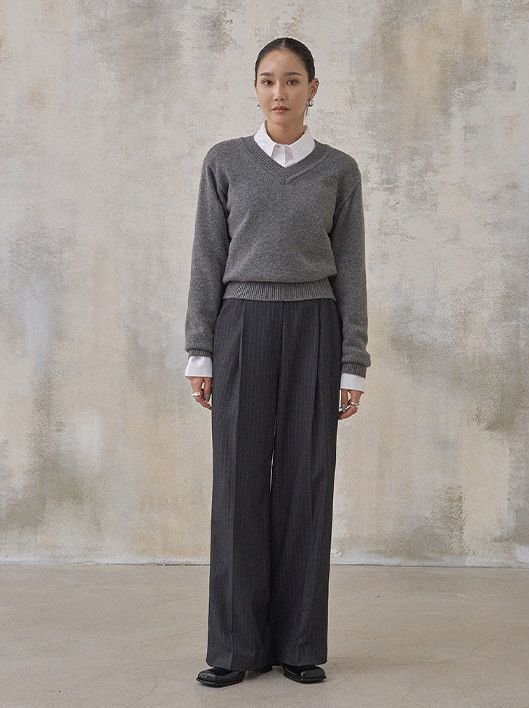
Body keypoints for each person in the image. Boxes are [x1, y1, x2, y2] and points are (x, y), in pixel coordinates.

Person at [184, 36, 372, 688]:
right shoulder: (224, 162)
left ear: (312, 89)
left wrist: (353, 362)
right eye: (268, 80)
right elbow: (207, 258)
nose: (279, 92)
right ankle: (236, 647)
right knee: (237, 484)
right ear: (255, 88)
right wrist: (200, 350)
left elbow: (351, 270)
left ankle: (299, 643)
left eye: (292, 80)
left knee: (306, 482)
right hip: (241, 326)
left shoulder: (338, 170)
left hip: (316, 325)